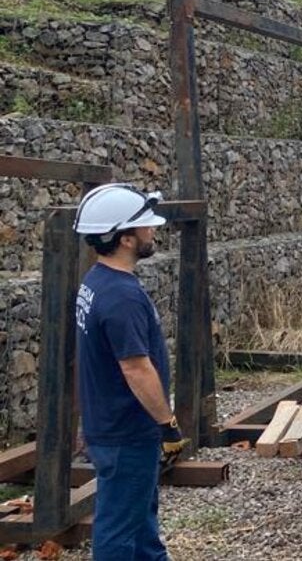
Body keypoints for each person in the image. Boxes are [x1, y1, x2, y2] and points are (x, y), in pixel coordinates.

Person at [73, 183, 185, 561]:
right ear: (124, 239)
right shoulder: (122, 297)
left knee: (139, 518)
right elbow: (136, 369)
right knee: (119, 529)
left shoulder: (97, 282)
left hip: (112, 425)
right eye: (145, 227)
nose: (152, 231)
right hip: (126, 430)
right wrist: (168, 424)